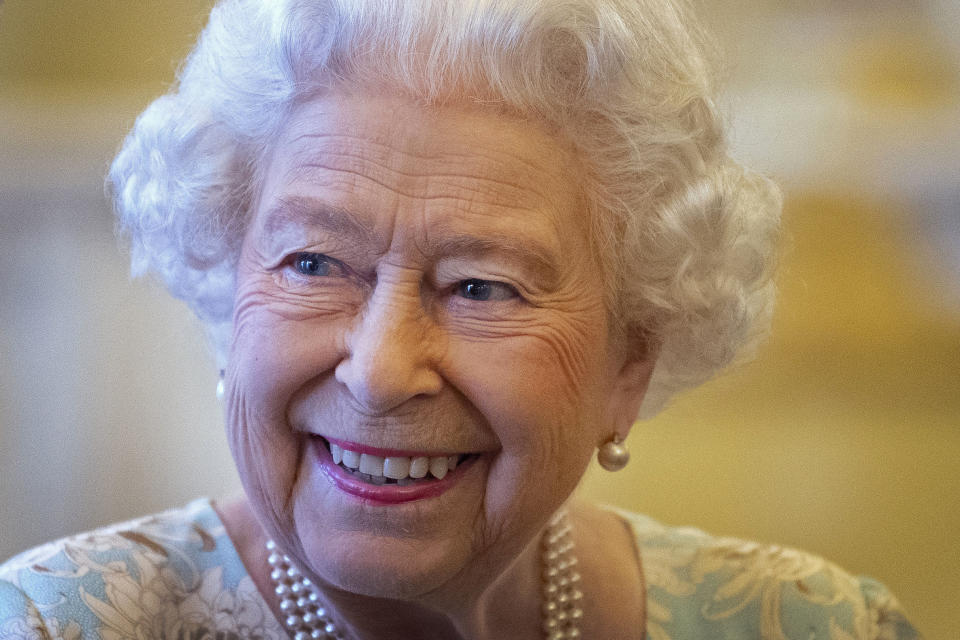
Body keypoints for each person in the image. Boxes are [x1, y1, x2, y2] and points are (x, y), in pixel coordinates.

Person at [0, 1, 922, 638]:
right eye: (314, 263)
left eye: (483, 286)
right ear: (230, 294)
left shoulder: (806, 622)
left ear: (629, 363)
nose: (380, 368)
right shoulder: (56, 623)